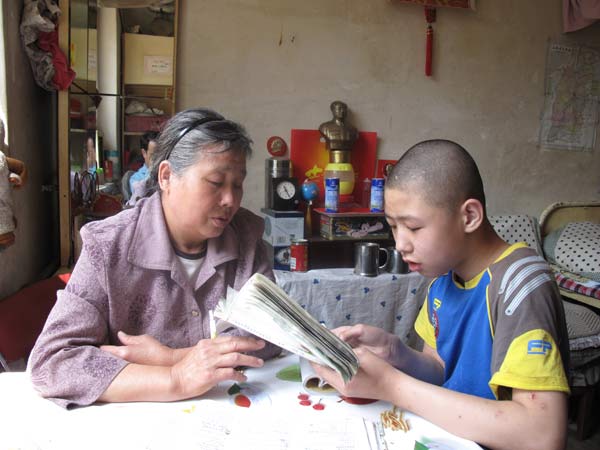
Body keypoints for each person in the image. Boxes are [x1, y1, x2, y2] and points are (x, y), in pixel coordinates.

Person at [312, 140, 570, 450]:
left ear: (470, 216)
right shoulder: (443, 280)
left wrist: (390, 385)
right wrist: (395, 352)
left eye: (413, 227)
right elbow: (441, 370)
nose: (400, 244)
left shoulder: (521, 284)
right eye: (393, 227)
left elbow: (541, 434)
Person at [29, 108, 281, 407]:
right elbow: (53, 363)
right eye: (216, 182)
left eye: (237, 184)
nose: (230, 200)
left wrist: (170, 357)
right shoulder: (108, 247)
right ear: (166, 177)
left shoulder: (247, 237)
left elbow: (274, 334)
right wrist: (175, 377)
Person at [129, 131, 158, 195]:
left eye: (161, 154)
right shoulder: (136, 179)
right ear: (144, 153)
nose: (158, 159)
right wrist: (152, 172)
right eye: (153, 155)